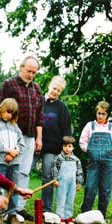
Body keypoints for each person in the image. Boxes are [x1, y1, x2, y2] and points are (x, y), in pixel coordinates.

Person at [0, 55, 43, 221]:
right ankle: (0, 207)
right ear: (21, 68)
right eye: (29, 71)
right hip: (10, 134)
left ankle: (17, 210)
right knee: (6, 171)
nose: (31, 75)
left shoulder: (37, 89)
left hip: (30, 136)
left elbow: (39, 116)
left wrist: (39, 138)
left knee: (23, 172)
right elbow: (0, 110)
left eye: (34, 72)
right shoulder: (9, 84)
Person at [79, 101, 112, 219]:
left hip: (108, 162)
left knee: (106, 188)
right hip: (93, 161)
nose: (100, 116)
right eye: (99, 113)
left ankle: (101, 215)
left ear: (107, 115)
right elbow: (82, 141)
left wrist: (111, 150)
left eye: (103, 114)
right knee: (90, 187)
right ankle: (85, 213)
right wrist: (89, 150)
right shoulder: (90, 126)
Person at [0, 98, 25, 224]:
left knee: (13, 187)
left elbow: (22, 142)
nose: (8, 115)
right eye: (7, 112)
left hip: (14, 162)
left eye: (12, 113)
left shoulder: (15, 127)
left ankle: (12, 214)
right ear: (1, 109)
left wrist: (15, 151)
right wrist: (7, 151)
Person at [41, 76, 72, 213]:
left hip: (52, 148)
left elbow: (67, 130)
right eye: (54, 88)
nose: (55, 92)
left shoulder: (62, 108)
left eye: (59, 91)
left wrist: (66, 148)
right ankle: (17, 207)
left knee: (48, 176)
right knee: (23, 172)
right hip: (35, 143)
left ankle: (45, 208)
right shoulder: (39, 102)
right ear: (49, 86)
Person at [52, 136, 84, 224]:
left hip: (72, 183)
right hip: (61, 182)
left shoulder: (76, 160)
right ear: (62, 147)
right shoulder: (58, 158)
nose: (67, 148)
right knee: (61, 198)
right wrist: (55, 180)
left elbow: (79, 172)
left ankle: (68, 217)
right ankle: (60, 216)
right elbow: (55, 169)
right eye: (65, 146)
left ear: (73, 147)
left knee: (70, 199)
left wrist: (79, 183)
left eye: (69, 146)